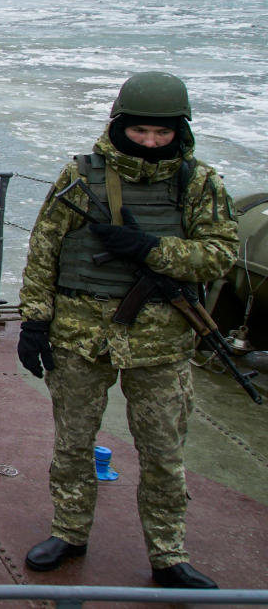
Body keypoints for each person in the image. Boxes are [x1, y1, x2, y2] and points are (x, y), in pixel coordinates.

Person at [17, 71, 239, 589]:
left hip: (160, 344)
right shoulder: (79, 178)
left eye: (162, 134)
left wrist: (151, 250)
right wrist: (34, 321)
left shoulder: (199, 183)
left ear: (179, 131)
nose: (151, 142)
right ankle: (69, 532)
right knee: (73, 444)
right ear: (119, 125)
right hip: (80, 335)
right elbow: (44, 252)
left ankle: (168, 555)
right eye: (140, 132)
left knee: (163, 453)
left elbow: (220, 254)